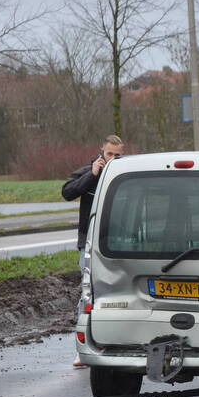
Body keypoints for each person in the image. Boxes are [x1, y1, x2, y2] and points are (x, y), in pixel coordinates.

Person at [63, 135, 126, 367]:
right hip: (89, 243)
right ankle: (83, 348)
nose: (112, 159)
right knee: (88, 293)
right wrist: (92, 175)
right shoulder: (88, 172)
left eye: (117, 155)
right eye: (109, 154)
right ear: (101, 152)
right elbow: (67, 192)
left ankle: (117, 341)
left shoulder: (126, 175)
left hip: (119, 244)